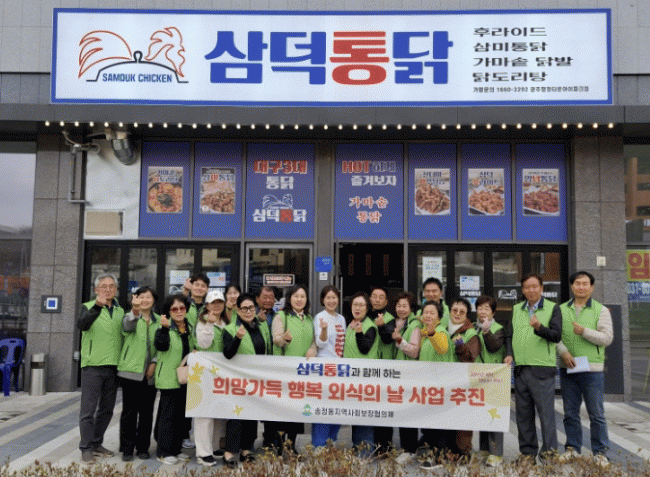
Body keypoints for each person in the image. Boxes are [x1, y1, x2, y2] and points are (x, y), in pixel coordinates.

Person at [557, 271, 613, 467]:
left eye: (585, 284)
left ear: (592, 287)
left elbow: (607, 338)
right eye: (577, 283)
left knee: (596, 413)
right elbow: (556, 336)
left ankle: (600, 452)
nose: (581, 287)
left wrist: (584, 332)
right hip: (568, 367)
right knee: (570, 412)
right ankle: (572, 449)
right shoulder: (561, 309)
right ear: (572, 286)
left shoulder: (601, 310)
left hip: (592, 369)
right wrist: (563, 352)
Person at [504, 273, 562, 464]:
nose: (531, 290)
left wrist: (539, 327)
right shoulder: (516, 309)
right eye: (527, 287)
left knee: (546, 415)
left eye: (534, 286)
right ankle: (527, 454)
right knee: (523, 415)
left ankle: (549, 454)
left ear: (541, 288)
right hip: (520, 369)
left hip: (542, 369)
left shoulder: (553, 308)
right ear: (523, 290)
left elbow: (556, 336)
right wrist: (509, 353)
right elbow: (509, 336)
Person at [76, 273, 124, 463]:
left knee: (107, 409)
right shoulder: (87, 307)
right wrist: (97, 306)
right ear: (96, 289)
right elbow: (82, 324)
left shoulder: (120, 311)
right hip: (93, 365)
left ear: (116, 289)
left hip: (113, 365)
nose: (108, 289)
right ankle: (86, 447)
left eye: (111, 286)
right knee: (88, 410)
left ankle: (96, 442)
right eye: (104, 286)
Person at [222, 293, 272, 469]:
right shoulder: (230, 329)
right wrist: (238, 338)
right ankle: (229, 452)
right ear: (238, 310)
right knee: (236, 416)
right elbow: (227, 354)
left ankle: (246, 449)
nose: (249, 311)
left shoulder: (261, 326)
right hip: (237, 381)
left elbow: (266, 350)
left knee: (251, 416)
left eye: (251, 308)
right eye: (244, 308)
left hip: (256, 380)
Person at [272, 285, 317, 455]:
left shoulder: (309, 319)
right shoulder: (281, 316)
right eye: (296, 296)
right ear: (289, 298)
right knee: (282, 410)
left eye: (302, 296)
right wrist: (284, 338)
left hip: (302, 373)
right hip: (284, 372)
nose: (299, 299)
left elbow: (314, 341)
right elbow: (276, 339)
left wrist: (313, 350)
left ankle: (291, 446)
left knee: (297, 411)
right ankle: (279, 446)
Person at [118, 286, 160, 462]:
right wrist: (135, 311)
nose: (145, 300)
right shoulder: (130, 317)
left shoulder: (159, 321)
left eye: (148, 297)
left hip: (150, 374)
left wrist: (154, 362)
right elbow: (127, 327)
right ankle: (127, 448)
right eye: (141, 297)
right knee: (129, 412)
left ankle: (143, 447)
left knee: (146, 412)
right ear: (135, 299)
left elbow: (162, 344)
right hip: (131, 371)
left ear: (153, 300)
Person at [153, 293, 194, 465]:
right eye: (174, 309)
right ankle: (163, 451)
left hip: (185, 377)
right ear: (168, 312)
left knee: (181, 417)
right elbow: (161, 346)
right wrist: (164, 328)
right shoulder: (164, 328)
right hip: (169, 377)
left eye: (182, 308)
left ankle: (176, 449)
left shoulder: (188, 328)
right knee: (168, 416)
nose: (179, 311)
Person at [193, 290, 230, 466]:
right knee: (204, 413)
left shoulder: (225, 321)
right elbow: (203, 344)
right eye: (213, 302)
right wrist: (209, 323)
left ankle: (214, 447)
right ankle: (203, 452)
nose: (216, 305)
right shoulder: (202, 321)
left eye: (219, 302)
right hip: (204, 372)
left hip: (221, 372)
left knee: (218, 411)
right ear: (207, 305)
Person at [417, 300, 452, 470]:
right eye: (426, 312)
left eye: (432, 313)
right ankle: (431, 453)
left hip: (439, 387)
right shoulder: (426, 334)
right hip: (428, 388)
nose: (428, 315)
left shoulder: (440, 332)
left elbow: (442, 348)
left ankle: (439, 458)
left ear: (439, 317)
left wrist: (432, 335)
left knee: (439, 425)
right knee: (430, 424)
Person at [311, 285, 347, 447]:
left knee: (336, 408)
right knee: (323, 408)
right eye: (328, 298)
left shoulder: (341, 319)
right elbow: (320, 343)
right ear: (323, 300)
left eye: (334, 297)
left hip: (339, 369)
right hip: (324, 368)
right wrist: (324, 329)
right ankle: (319, 445)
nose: (331, 301)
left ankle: (332, 441)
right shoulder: (320, 317)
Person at [343, 291, 378, 454]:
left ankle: (366, 451)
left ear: (367, 308)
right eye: (355, 304)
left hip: (365, 379)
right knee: (355, 415)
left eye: (361, 305)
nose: (357, 308)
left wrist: (358, 333)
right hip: (351, 378)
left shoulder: (369, 326)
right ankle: (357, 447)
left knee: (364, 416)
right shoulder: (352, 325)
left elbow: (364, 348)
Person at [447, 298, 480, 462]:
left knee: (463, 419)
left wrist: (460, 346)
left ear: (467, 315)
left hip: (463, 383)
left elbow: (470, 358)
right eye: (455, 310)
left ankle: (463, 453)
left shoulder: (470, 333)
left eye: (462, 312)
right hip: (445, 381)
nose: (457, 314)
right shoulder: (443, 328)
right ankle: (448, 450)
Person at [475, 295, 506, 468]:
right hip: (478, 376)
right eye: (480, 308)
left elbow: (494, 347)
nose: (483, 311)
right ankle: (484, 449)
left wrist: (487, 332)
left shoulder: (498, 328)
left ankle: (496, 453)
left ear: (493, 312)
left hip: (495, 377)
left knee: (495, 414)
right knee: (482, 413)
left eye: (487, 308)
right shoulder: (474, 327)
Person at [391, 291, 422, 463]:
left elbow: (414, 351)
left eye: (405, 306)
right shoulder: (398, 323)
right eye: (399, 305)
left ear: (411, 308)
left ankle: (410, 449)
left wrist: (400, 341)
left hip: (410, 374)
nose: (401, 309)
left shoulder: (414, 325)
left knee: (408, 412)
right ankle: (407, 447)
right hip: (399, 374)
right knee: (402, 411)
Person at [369, 286, 396, 454]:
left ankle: (384, 447)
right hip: (368, 369)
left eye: (381, 297)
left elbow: (387, 339)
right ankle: (370, 445)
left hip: (385, 370)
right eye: (375, 296)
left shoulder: (390, 318)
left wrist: (381, 327)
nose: (377, 300)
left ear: (386, 302)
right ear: (370, 299)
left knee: (384, 409)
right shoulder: (365, 316)